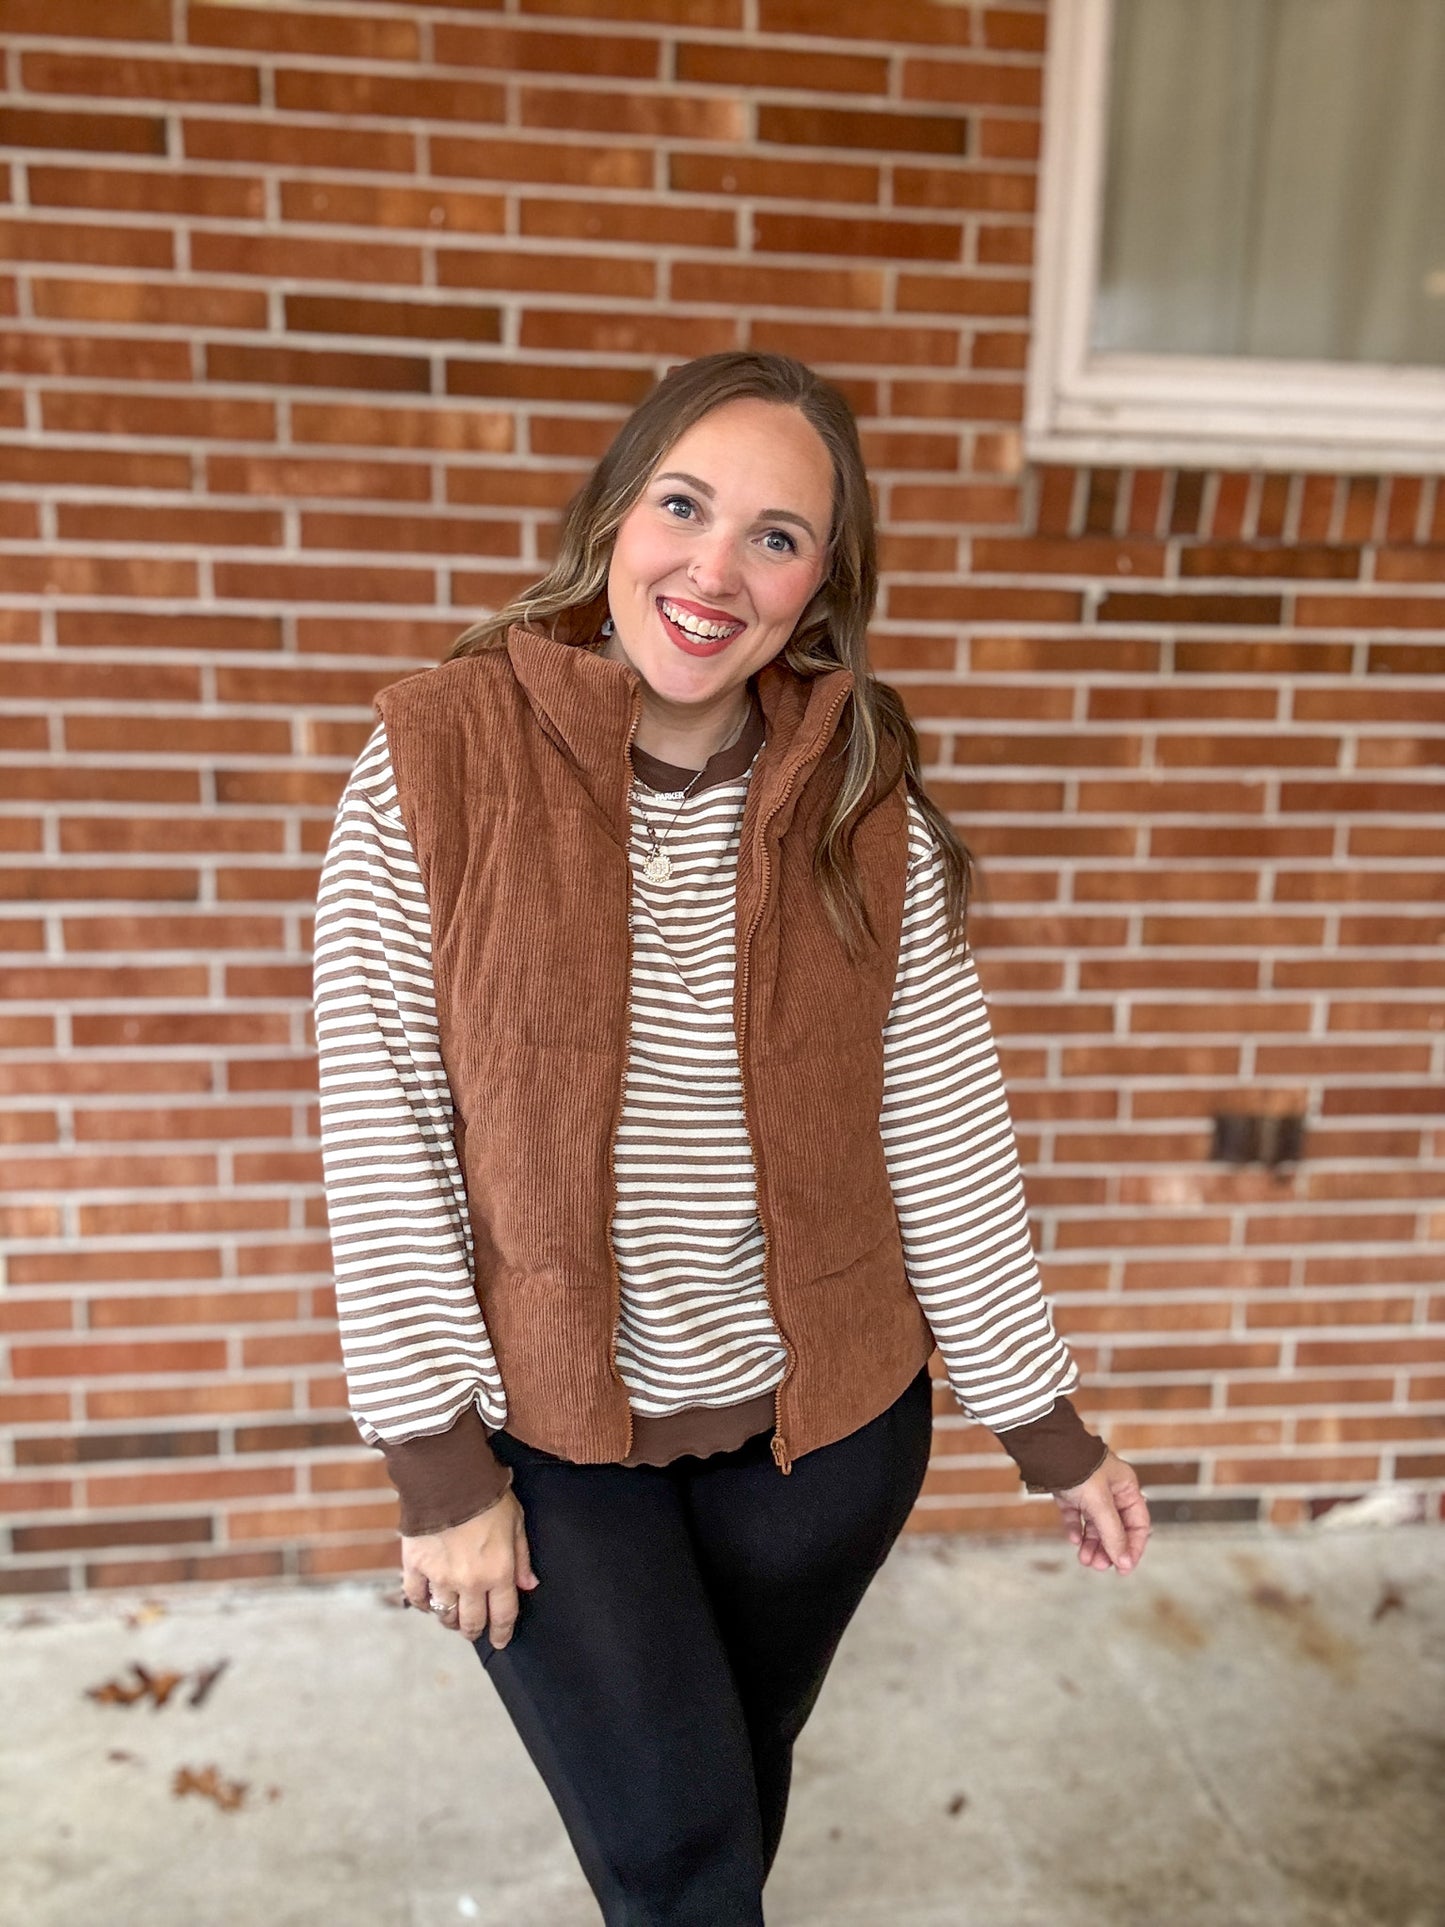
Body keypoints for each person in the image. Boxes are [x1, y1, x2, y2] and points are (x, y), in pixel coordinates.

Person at [312, 350, 1151, 1925]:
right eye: (683, 505)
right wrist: (438, 1467)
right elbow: (381, 1127)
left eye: (775, 535)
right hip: (555, 1442)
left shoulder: (854, 787)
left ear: (819, 583)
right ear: (614, 516)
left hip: (818, 1438)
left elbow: (945, 1130)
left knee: (733, 1795)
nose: (714, 567)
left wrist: (1042, 1422)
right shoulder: (437, 760)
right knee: (681, 1856)